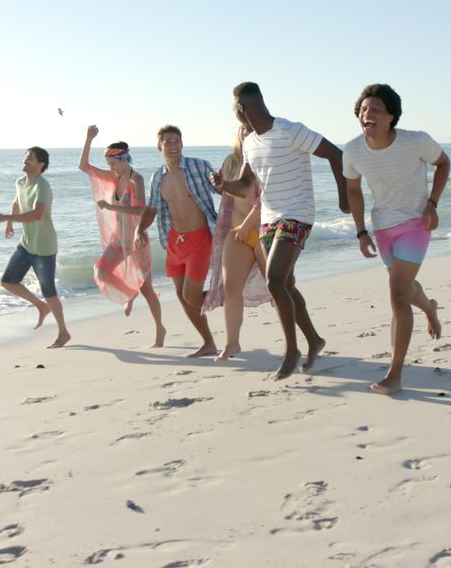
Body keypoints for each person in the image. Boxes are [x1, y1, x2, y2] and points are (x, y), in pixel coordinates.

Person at [211, 82, 347, 380]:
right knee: (286, 284)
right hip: (269, 219)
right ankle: (314, 339)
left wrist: (344, 197)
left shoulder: (290, 130)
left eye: (234, 108)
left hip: (297, 214)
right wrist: (223, 186)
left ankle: (292, 351)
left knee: (274, 281)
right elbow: (247, 185)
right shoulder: (249, 142)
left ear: (241, 108)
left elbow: (336, 155)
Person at [343, 83, 449, 396]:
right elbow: (352, 190)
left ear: (391, 115)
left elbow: (444, 163)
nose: (367, 114)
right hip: (382, 228)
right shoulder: (352, 150)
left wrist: (432, 204)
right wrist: (361, 231)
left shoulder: (416, 141)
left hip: (416, 223)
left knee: (398, 295)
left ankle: (395, 373)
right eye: (363, 110)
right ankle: (429, 306)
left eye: (375, 109)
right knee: (404, 289)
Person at [134, 125, 219, 357]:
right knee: (182, 296)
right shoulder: (157, 177)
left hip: (200, 237)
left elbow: (222, 188)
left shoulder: (199, 166)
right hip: (174, 241)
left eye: (176, 141)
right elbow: (152, 208)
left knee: (192, 295)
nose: (172, 145)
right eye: (167, 141)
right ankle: (208, 342)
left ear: (182, 144)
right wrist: (139, 230)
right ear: (159, 146)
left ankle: (224, 295)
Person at [78, 125, 166, 347]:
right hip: (119, 240)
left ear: (125, 159)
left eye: (114, 164)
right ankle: (129, 293)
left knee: (147, 290)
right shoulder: (113, 178)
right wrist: (88, 138)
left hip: (137, 241)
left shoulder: (137, 180)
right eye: (109, 165)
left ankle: (160, 329)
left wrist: (111, 206)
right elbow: (84, 166)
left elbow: (142, 211)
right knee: (101, 271)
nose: (112, 168)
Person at [0, 146, 71, 348]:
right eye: (25, 158)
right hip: (27, 243)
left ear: (40, 165)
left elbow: (37, 215)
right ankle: (41, 307)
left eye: (30, 159)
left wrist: (4, 217)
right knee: (8, 281)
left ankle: (63, 333)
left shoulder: (43, 187)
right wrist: (10, 223)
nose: (25, 161)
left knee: (49, 291)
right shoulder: (20, 182)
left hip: (44, 247)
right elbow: (17, 200)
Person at [201, 126, 270, 361]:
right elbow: (229, 193)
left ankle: (295, 341)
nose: (247, 134)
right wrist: (218, 183)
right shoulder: (231, 161)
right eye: (244, 130)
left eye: (252, 130)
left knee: (280, 288)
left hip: (263, 230)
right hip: (235, 232)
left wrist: (247, 225)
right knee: (231, 287)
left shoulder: (266, 158)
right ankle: (232, 344)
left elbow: (267, 198)